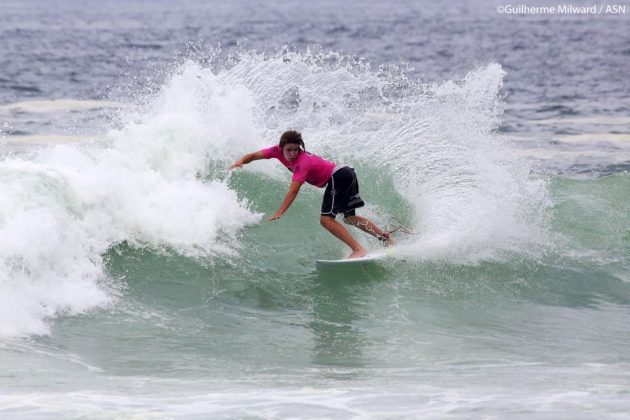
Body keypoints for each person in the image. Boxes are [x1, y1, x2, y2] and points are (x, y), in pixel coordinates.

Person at [228, 130, 395, 259]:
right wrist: (241, 161)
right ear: (280, 148)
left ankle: (358, 250)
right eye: (289, 150)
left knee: (326, 220)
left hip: (339, 176)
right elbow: (255, 155)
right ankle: (385, 239)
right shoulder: (276, 151)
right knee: (350, 218)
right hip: (346, 173)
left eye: (296, 149)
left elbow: (294, 190)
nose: (293, 153)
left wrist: (280, 211)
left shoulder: (302, 163)